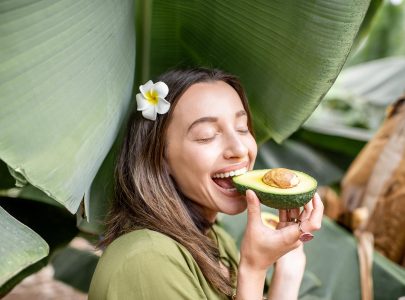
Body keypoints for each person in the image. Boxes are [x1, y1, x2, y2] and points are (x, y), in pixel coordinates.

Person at [88, 68, 324, 300]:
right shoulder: (144, 260)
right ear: (160, 157)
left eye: (242, 128)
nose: (240, 149)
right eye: (207, 135)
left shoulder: (218, 241)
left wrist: (288, 272)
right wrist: (254, 268)